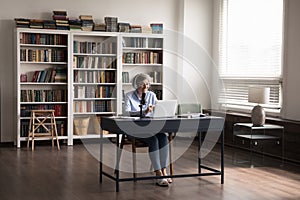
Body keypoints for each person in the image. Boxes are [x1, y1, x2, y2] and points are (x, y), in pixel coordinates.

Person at [124, 73, 172, 187]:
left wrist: (158, 110)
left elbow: (158, 110)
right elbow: (126, 113)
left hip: (151, 128)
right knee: (153, 140)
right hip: (134, 130)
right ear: (136, 85)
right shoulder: (129, 95)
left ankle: (164, 171)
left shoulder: (152, 95)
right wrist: (143, 112)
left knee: (163, 137)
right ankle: (158, 173)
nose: (145, 87)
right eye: (142, 84)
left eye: (147, 84)